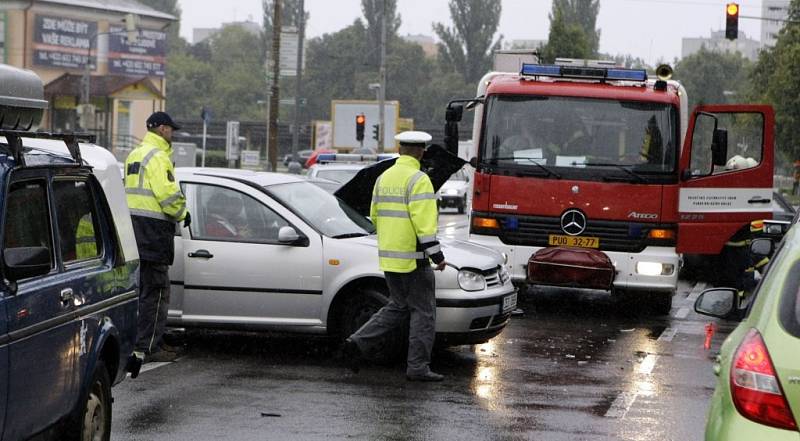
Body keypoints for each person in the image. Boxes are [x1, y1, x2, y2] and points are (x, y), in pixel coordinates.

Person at [342, 131, 448, 382]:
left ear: (400, 150)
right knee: (424, 313)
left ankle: (357, 343)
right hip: (413, 260)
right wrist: (437, 256)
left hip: (390, 258)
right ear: (421, 152)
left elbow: (375, 217)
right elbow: (424, 225)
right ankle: (418, 367)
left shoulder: (383, 178)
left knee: (398, 306)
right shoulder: (419, 179)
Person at [125, 111, 190, 363]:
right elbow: (169, 198)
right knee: (157, 292)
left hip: (135, 232)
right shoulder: (159, 157)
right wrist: (184, 213)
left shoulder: (135, 154)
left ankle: (138, 343)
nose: (172, 133)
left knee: (142, 292)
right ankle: (150, 346)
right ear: (162, 129)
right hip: (153, 234)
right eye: (171, 129)